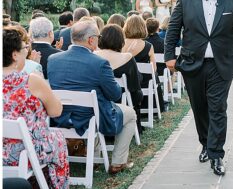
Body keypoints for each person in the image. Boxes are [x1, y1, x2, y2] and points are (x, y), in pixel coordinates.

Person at [163, 0, 233, 176]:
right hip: (192, 64)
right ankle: (205, 143)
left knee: (217, 108)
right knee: (200, 108)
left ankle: (216, 154)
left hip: (221, 65)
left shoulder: (232, 2)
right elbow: (173, 29)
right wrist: (169, 57)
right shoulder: (185, 1)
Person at [48, 20, 138, 174]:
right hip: (92, 117)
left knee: (95, 107)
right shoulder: (100, 63)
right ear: (91, 40)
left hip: (61, 116)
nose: (98, 39)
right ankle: (118, 162)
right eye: (98, 36)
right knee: (130, 114)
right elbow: (115, 94)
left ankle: (95, 158)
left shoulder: (53, 60)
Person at [1, 26, 71, 189]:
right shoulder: (30, 80)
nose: (27, 52)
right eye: (25, 49)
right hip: (27, 150)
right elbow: (56, 111)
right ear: (14, 55)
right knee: (58, 139)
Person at [95, 24, 145, 136]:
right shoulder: (127, 57)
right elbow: (135, 84)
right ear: (120, 40)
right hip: (122, 100)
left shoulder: (93, 55)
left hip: (98, 100)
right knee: (138, 94)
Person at [123, 15, 158, 112]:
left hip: (125, 83)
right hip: (143, 84)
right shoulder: (148, 46)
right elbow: (153, 70)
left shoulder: (120, 44)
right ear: (143, 27)